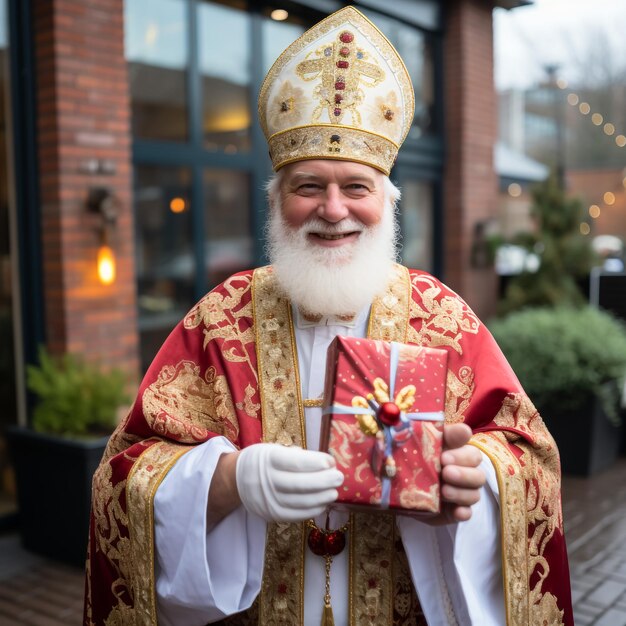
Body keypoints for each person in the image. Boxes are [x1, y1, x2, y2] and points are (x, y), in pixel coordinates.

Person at [84, 7, 573, 626]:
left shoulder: (442, 316)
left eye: (357, 188)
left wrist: (472, 484)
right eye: (308, 186)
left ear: (388, 201)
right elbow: (122, 475)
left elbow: (530, 459)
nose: (333, 209)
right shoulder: (221, 318)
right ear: (278, 201)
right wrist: (229, 479)